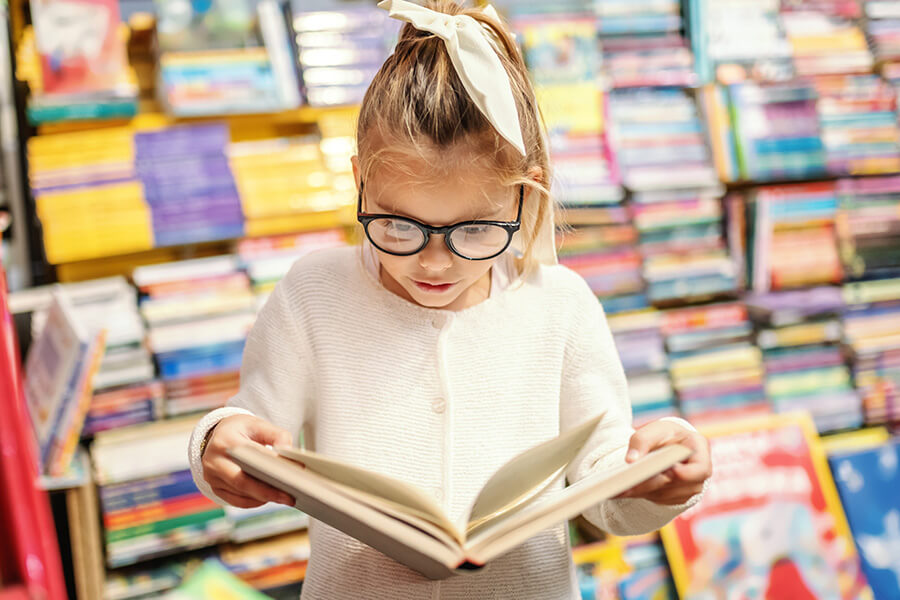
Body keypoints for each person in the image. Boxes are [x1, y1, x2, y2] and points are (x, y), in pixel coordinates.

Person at [188, 1, 712, 598]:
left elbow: (611, 496)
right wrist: (216, 443)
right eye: (398, 226)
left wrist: (663, 473)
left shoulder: (561, 305)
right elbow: (250, 431)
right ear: (360, 181)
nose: (434, 262)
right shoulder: (314, 292)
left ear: (527, 197)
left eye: (475, 231)